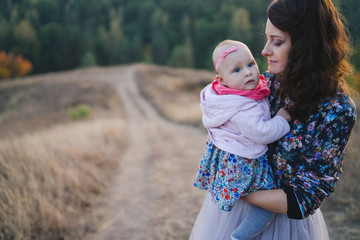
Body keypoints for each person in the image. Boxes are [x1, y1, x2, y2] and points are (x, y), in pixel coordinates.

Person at [190, 0, 357, 239]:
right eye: (267, 39)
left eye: (277, 42)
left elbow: (306, 198)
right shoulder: (266, 84)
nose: (265, 51)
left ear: (306, 46)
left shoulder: (337, 110)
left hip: (286, 227)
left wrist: (235, 188)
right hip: (231, 213)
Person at [193, 39, 291, 240]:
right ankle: (239, 236)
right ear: (221, 81)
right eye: (236, 70)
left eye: (251, 64)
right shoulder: (241, 107)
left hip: (232, 158)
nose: (247, 72)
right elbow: (262, 132)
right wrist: (282, 119)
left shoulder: (229, 95)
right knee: (268, 205)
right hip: (245, 162)